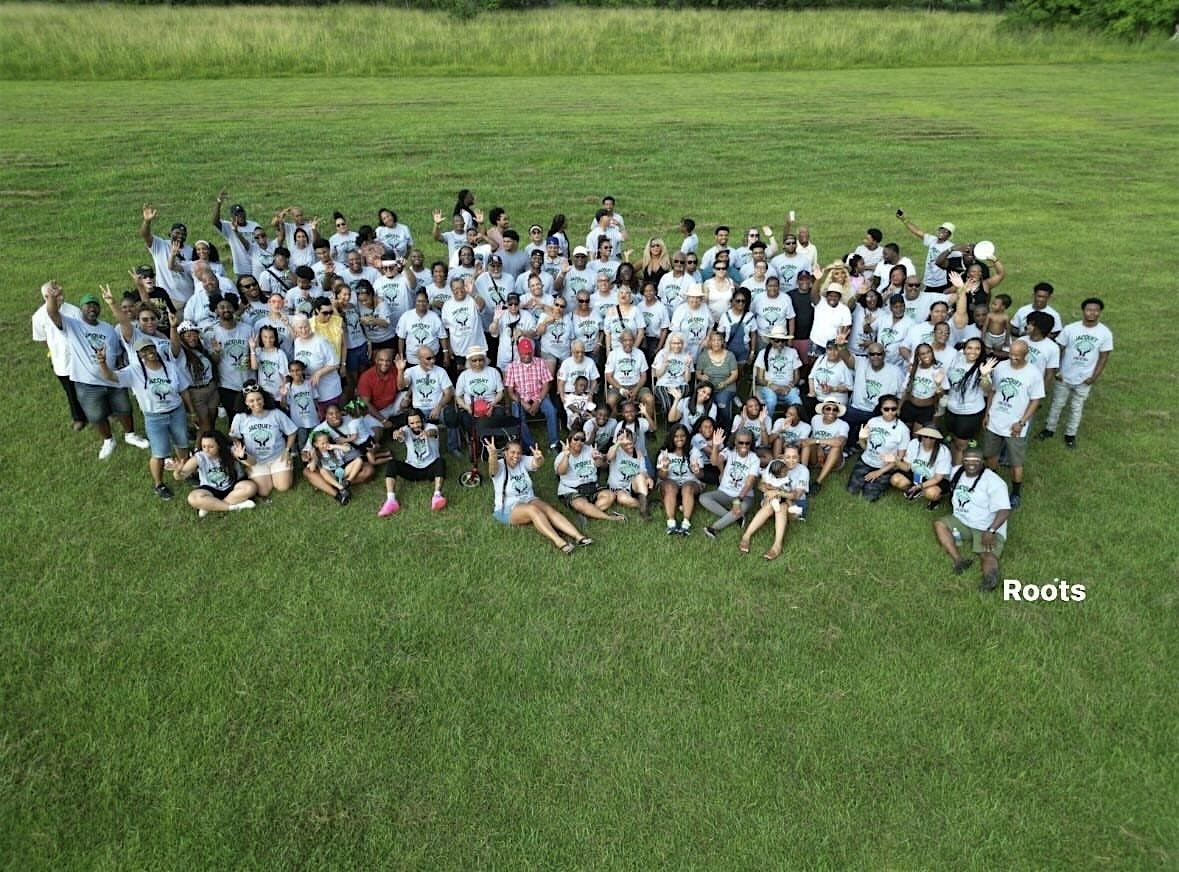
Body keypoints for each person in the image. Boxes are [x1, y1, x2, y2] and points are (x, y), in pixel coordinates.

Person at [42, 283, 150, 459]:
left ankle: (130, 435)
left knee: (124, 408)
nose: (92, 308)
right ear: (81, 309)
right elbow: (52, 313)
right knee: (96, 415)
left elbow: (116, 352)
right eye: (88, 305)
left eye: (95, 305)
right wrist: (53, 297)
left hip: (112, 378)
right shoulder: (72, 325)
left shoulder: (108, 328)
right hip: (87, 383)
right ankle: (108, 440)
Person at [97, 333, 193, 500]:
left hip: (176, 411)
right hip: (154, 417)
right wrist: (102, 363)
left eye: (151, 348)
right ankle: (159, 484)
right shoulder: (134, 371)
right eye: (144, 351)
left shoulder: (170, 366)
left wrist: (192, 411)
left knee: (182, 444)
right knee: (159, 453)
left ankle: (186, 472)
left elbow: (183, 389)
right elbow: (111, 377)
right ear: (139, 354)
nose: (149, 352)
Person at [485, 438, 590, 554]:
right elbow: (492, 469)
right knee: (533, 510)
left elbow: (537, 464)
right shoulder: (499, 465)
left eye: (519, 453)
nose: (516, 456)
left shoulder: (522, 460)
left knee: (548, 509)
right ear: (505, 452)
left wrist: (539, 458)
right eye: (512, 452)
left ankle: (578, 536)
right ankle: (559, 541)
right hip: (507, 508)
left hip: (528, 498)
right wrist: (493, 455)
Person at [933, 446, 1011, 592]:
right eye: (967, 460)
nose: (971, 464)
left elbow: (1005, 510)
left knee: (987, 555)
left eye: (976, 460)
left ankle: (990, 581)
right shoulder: (957, 472)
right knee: (939, 524)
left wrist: (991, 531)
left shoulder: (994, 482)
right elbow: (939, 475)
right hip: (963, 520)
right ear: (963, 460)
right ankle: (959, 560)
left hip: (986, 526)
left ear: (983, 462)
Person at [1037, 297, 1113, 448]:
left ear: (1100, 312)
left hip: (1085, 378)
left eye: (1096, 310)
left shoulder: (1105, 333)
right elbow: (1059, 349)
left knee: (1076, 407)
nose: (1092, 313)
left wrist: (1094, 377)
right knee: (1057, 404)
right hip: (1064, 376)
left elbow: (1104, 357)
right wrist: (1057, 370)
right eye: (1089, 310)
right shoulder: (1071, 329)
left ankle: (1070, 435)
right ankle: (1049, 429)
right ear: (1083, 311)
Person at [983, 339, 1044, 508]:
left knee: (1016, 462)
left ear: (1026, 355)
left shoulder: (1033, 374)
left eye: (1017, 356)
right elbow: (993, 391)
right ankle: (992, 485)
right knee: (991, 455)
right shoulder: (1001, 367)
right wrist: (987, 413)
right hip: (995, 420)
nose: (1013, 358)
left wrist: (1022, 422)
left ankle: (1015, 492)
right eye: (1011, 354)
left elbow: (1035, 400)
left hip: (1015, 426)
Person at [32, 281, 87, 430]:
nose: (61, 296)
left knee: (89, 385)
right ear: (46, 297)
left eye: (61, 293)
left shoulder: (74, 311)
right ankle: (78, 417)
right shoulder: (38, 317)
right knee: (70, 391)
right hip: (60, 360)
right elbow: (42, 340)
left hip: (80, 357)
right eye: (56, 294)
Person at [228, 387, 298, 498]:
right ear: (246, 403)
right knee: (263, 491)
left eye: (259, 399)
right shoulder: (240, 418)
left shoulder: (275, 413)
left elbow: (292, 432)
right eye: (251, 401)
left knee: (283, 487)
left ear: (264, 399)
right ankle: (268, 474)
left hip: (277, 456)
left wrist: (287, 451)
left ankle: (280, 470)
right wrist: (243, 457)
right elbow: (234, 437)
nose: (256, 403)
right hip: (255, 460)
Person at [376, 409, 448, 515]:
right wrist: (397, 433)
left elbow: (434, 432)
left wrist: (427, 433)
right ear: (408, 424)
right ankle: (391, 500)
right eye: (412, 423)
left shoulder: (431, 427)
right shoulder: (406, 429)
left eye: (418, 422)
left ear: (422, 420)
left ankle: (437, 496)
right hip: (412, 469)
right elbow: (401, 433)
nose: (415, 425)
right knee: (392, 464)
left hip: (430, 469)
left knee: (440, 462)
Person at [737, 455, 806, 561]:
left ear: (798, 457)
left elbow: (795, 495)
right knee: (771, 505)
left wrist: (777, 492)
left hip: (791, 506)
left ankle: (777, 545)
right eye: (788, 457)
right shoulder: (775, 464)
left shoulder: (803, 470)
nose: (791, 460)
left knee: (782, 507)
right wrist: (768, 490)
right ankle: (746, 535)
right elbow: (760, 485)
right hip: (771, 500)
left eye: (794, 457)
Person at [175, 430, 257, 516]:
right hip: (210, 489)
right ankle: (234, 507)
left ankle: (211, 505)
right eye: (204, 446)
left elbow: (253, 463)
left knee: (250, 487)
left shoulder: (230, 451)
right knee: (193, 498)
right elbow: (180, 476)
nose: (206, 450)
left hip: (232, 486)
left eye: (211, 446)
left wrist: (243, 457)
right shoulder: (199, 457)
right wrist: (177, 471)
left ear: (219, 445)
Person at [700, 427, 761, 539]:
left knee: (742, 507)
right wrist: (716, 446)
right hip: (725, 491)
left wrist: (738, 501)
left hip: (744, 496)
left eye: (747, 443)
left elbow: (749, 483)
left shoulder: (754, 459)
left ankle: (713, 528)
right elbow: (714, 462)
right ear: (735, 442)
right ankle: (736, 517)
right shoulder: (729, 451)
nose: (744, 446)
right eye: (741, 442)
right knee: (703, 498)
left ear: (751, 443)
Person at [846, 394, 909, 502]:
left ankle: (883, 481)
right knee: (851, 490)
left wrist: (879, 472)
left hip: (885, 467)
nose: (890, 412)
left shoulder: (903, 429)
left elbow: (899, 458)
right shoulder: (873, 421)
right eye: (886, 409)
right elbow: (865, 447)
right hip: (866, 461)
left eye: (893, 409)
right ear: (880, 409)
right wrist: (861, 438)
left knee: (868, 497)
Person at [944, 338, 997, 464]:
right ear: (964, 349)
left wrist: (984, 375)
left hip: (969, 413)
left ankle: (957, 470)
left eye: (977, 348)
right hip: (951, 409)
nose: (973, 351)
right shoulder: (956, 359)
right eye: (969, 348)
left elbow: (988, 389)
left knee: (961, 445)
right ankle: (951, 464)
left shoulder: (983, 366)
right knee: (954, 440)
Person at [554, 432, 625, 525]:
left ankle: (587, 513)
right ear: (569, 440)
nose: (579, 442)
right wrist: (566, 456)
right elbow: (561, 472)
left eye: (582, 439)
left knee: (610, 496)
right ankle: (610, 517)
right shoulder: (562, 456)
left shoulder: (590, 450)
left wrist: (598, 460)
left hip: (592, 487)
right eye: (576, 439)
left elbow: (602, 465)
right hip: (572, 490)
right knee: (580, 504)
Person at [504, 337, 559, 451]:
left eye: (529, 353)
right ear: (519, 353)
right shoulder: (511, 367)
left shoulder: (540, 362)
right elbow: (510, 392)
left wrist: (538, 401)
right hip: (521, 398)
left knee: (552, 411)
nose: (527, 356)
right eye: (524, 354)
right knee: (518, 417)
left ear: (533, 352)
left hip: (539, 395)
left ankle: (554, 443)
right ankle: (531, 446)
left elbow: (546, 385)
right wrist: (524, 404)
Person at [890, 426, 953, 509]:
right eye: (925, 436)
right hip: (916, 474)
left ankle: (935, 499)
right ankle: (915, 491)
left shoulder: (944, 452)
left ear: (937, 439)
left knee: (931, 493)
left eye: (932, 438)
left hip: (935, 479)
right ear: (921, 436)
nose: (928, 440)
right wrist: (896, 461)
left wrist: (920, 486)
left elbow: (937, 478)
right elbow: (907, 467)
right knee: (895, 480)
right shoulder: (914, 443)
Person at [655, 424, 702, 536]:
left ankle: (685, 524)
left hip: (690, 482)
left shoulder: (694, 451)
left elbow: (701, 476)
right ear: (671, 437)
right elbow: (661, 476)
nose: (679, 439)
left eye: (682, 436)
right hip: (670, 481)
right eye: (676, 436)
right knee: (670, 487)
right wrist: (665, 467)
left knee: (688, 487)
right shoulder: (665, 453)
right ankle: (671, 523)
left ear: (687, 437)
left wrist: (696, 470)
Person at [305, 427, 364, 505]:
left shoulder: (334, 449)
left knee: (359, 460)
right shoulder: (317, 454)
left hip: (342, 470)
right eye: (322, 443)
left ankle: (347, 482)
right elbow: (312, 469)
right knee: (322, 470)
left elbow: (348, 449)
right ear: (316, 445)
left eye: (327, 442)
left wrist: (334, 446)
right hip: (331, 475)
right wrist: (313, 457)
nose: (325, 445)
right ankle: (341, 488)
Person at [897, 212, 954, 292]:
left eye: (946, 231)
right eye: (942, 229)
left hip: (941, 284)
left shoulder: (950, 246)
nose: (943, 232)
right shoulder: (932, 240)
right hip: (928, 281)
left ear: (949, 236)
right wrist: (904, 220)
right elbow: (917, 232)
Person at [695, 330, 740, 430]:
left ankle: (726, 428)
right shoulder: (703, 356)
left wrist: (725, 382)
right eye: (713, 340)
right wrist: (702, 377)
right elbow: (698, 374)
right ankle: (707, 428)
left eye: (719, 340)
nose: (716, 343)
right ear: (710, 342)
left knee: (721, 402)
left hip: (726, 387)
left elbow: (735, 374)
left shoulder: (730, 355)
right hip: (708, 388)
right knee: (706, 402)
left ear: (723, 342)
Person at [802, 397, 848, 493]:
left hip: (834, 460)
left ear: (838, 412)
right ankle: (802, 476)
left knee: (836, 448)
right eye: (828, 408)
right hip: (817, 457)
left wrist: (818, 442)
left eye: (835, 409)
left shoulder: (843, 424)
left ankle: (818, 482)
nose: (831, 412)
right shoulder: (815, 419)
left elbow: (839, 442)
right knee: (808, 443)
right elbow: (811, 438)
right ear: (823, 410)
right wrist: (819, 447)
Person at [899, 343, 946, 434]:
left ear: (932, 353)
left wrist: (938, 385)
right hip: (910, 406)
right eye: (922, 354)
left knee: (917, 435)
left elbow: (942, 395)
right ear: (918, 356)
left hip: (926, 409)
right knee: (904, 432)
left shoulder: (938, 370)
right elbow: (906, 389)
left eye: (928, 352)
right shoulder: (913, 368)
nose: (926, 355)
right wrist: (899, 407)